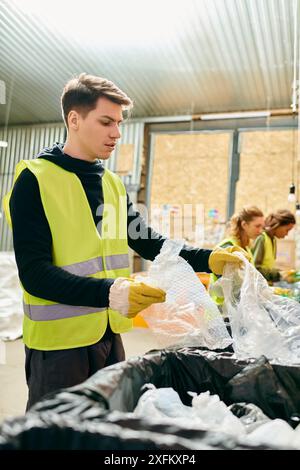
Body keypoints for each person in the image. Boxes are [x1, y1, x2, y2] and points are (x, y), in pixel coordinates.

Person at [2, 73, 245, 409]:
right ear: (74, 119)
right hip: (58, 346)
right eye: (106, 122)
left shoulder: (112, 185)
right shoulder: (35, 180)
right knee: (58, 433)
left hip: (108, 334)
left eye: (118, 122)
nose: (116, 133)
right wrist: (110, 292)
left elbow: (148, 243)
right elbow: (35, 274)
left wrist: (209, 258)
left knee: (107, 425)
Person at [210, 206, 265, 305]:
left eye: (262, 227)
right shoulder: (228, 247)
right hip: (223, 311)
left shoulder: (245, 248)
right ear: (244, 225)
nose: (261, 231)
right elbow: (228, 285)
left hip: (238, 308)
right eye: (257, 226)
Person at [252, 209, 296, 282]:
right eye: (287, 230)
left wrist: (283, 272)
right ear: (278, 225)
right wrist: (278, 275)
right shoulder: (262, 239)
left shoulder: (273, 240)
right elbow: (255, 269)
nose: (287, 234)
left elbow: (268, 266)